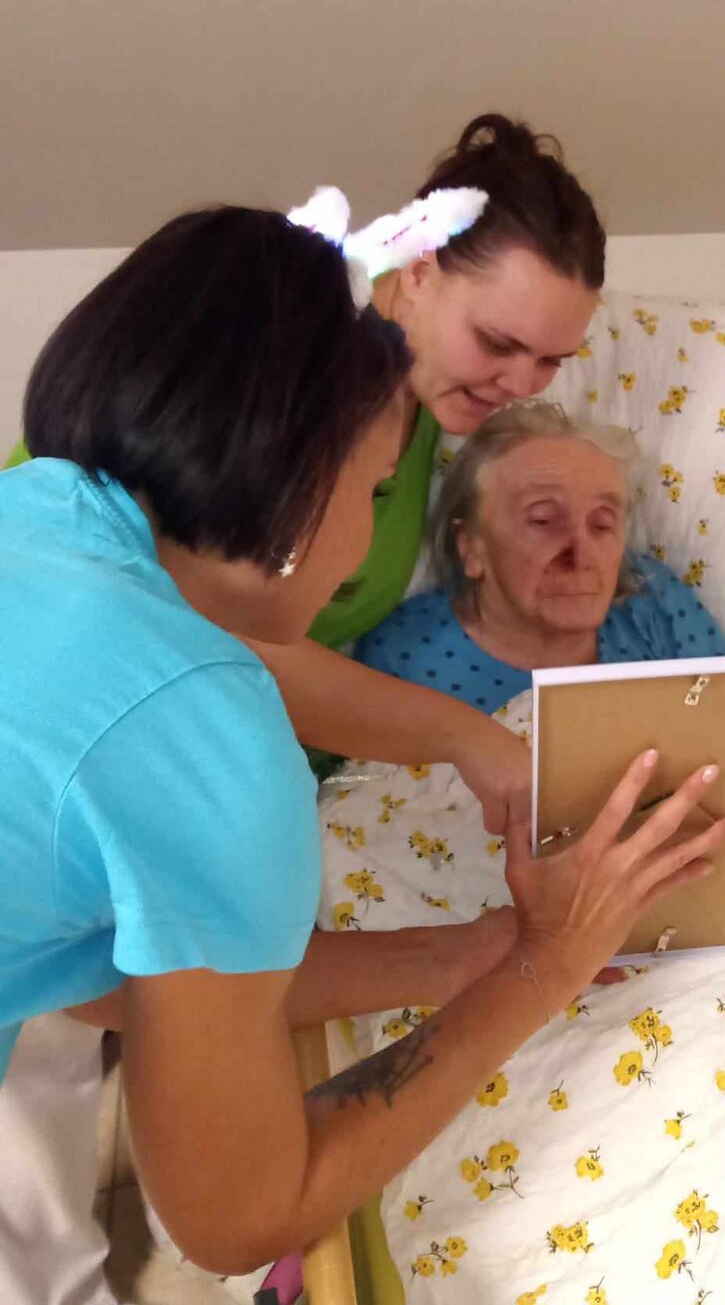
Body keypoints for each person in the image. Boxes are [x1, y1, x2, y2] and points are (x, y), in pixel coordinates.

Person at [0, 203, 725, 1276]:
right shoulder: (213, 738)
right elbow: (233, 1217)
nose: (370, 546)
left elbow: (94, 970)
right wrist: (543, 968)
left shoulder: (34, 512)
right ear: (298, 473)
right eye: (378, 489)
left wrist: (474, 946)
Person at [5, 113, 606, 831]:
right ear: (418, 270)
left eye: (550, 361)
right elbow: (188, 616)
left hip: (273, 773)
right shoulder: (282, 355)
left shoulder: (430, 415)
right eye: (497, 343)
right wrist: (464, 736)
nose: (521, 384)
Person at [357, 401, 725, 710]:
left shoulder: (655, 602)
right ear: (471, 546)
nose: (581, 555)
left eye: (603, 524)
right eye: (543, 520)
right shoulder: (403, 662)